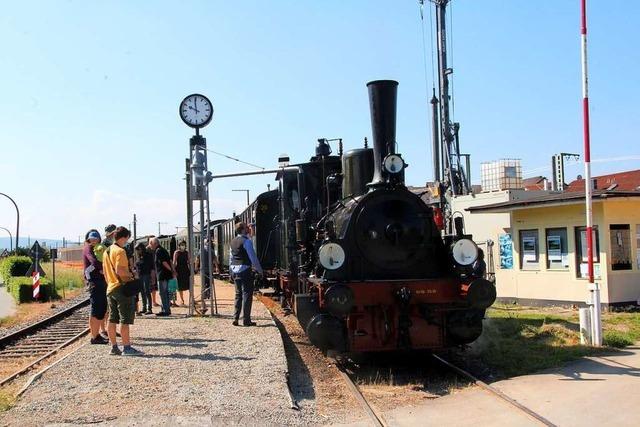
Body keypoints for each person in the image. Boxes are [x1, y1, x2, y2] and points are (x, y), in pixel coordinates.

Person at [103, 226, 141, 356]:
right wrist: (132, 275)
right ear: (124, 237)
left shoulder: (107, 251)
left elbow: (106, 273)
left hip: (111, 288)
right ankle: (127, 347)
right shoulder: (120, 251)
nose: (127, 241)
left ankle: (114, 347)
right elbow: (120, 270)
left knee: (112, 319)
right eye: (127, 238)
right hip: (122, 287)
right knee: (125, 319)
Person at [229, 222, 263, 326]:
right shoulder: (246, 242)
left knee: (238, 294)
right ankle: (246, 320)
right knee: (247, 294)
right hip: (245, 269)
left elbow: (231, 258)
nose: (248, 228)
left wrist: (231, 271)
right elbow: (253, 257)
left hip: (235, 270)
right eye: (246, 227)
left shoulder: (233, 241)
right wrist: (260, 270)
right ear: (243, 229)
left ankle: (235, 318)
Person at [83, 230, 108, 345]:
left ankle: (96, 334)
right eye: (91, 238)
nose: (93, 240)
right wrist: (103, 268)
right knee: (96, 309)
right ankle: (94, 336)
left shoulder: (99, 247)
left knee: (100, 308)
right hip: (95, 281)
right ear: (87, 239)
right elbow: (93, 260)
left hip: (100, 280)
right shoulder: (88, 248)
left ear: (99, 239)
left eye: (95, 238)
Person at [149, 237, 176, 316]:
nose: (150, 246)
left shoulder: (158, 251)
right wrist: (172, 270)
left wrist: (171, 270)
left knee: (163, 293)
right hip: (167, 275)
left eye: (150, 244)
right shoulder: (164, 250)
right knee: (166, 293)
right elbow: (170, 260)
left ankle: (165, 310)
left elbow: (164, 262)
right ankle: (166, 309)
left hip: (162, 275)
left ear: (154, 243)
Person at [134, 242, 154, 315]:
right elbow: (136, 265)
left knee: (147, 291)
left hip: (146, 274)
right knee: (142, 291)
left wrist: (152, 276)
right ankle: (144, 308)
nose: (137, 251)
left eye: (138, 249)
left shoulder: (148, 255)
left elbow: (151, 266)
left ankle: (149, 308)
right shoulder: (138, 256)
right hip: (140, 275)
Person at [173, 240, 190, 306]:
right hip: (179, 270)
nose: (182, 246)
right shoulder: (176, 252)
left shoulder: (187, 252)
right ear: (179, 246)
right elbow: (174, 262)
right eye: (181, 245)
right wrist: (174, 271)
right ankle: (182, 300)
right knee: (180, 286)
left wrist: (191, 270)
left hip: (186, 270)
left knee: (189, 285)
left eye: (183, 244)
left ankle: (192, 299)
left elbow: (189, 261)